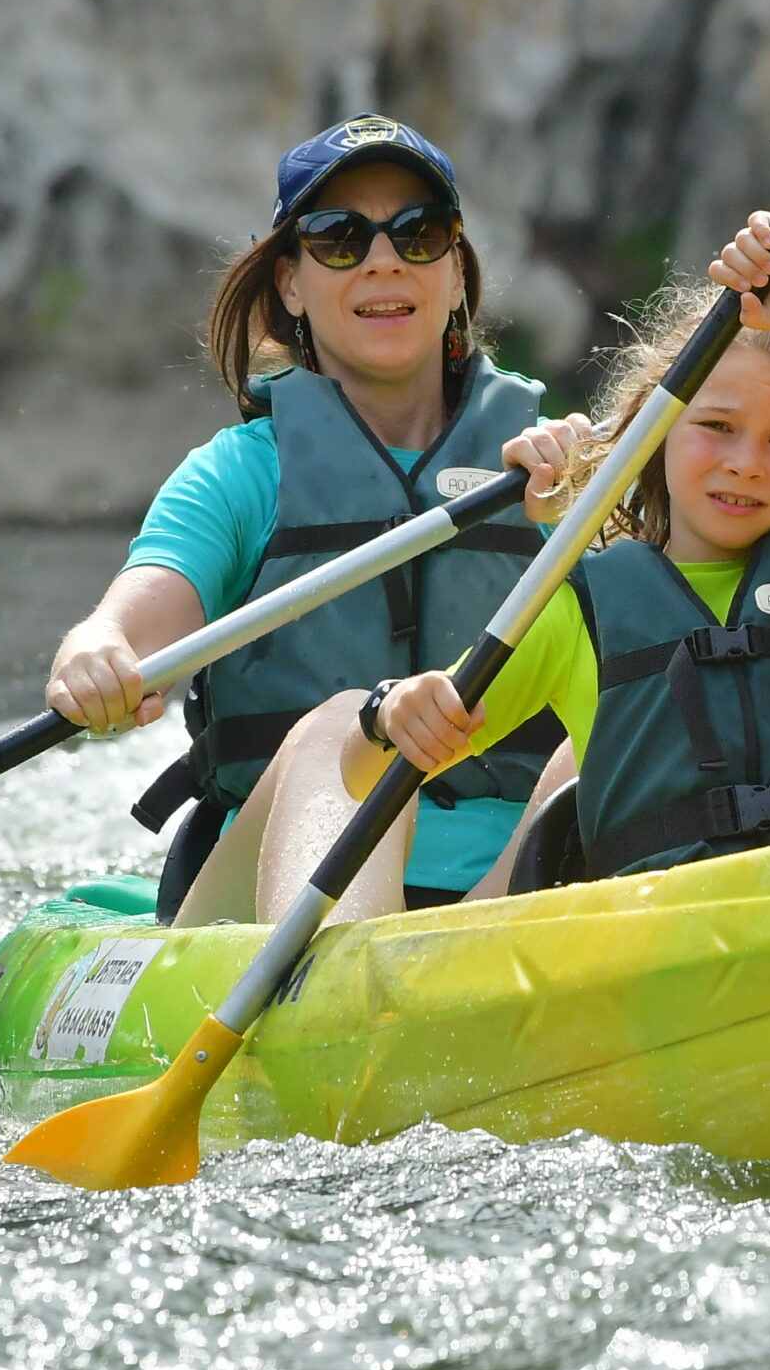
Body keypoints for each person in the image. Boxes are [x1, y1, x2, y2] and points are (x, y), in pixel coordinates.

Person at [237, 208, 770, 922]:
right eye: (716, 426)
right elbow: (372, 773)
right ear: (656, 434)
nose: (746, 464)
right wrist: (392, 714)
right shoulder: (576, 607)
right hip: (652, 952)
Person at [43, 114, 571, 921]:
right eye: (339, 238)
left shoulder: (552, 468)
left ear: (457, 274)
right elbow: (134, 619)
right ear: (291, 282)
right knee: (339, 728)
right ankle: (337, 993)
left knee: (593, 759)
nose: (384, 260)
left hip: (503, 896)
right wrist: (97, 655)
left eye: (419, 234)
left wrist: (583, 517)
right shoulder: (243, 473)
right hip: (270, 902)